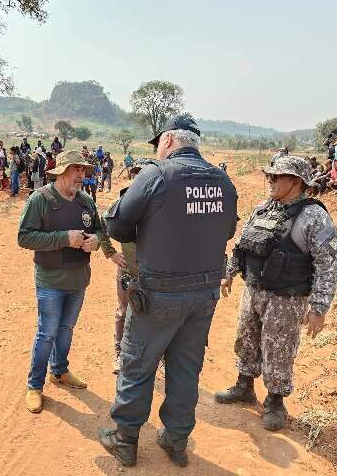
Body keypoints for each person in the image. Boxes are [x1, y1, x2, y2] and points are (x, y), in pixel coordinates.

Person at [99, 115, 238, 468]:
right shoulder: (222, 181)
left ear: (169, 141)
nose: (158, 150)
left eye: (158, 143)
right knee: (185, 370)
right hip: (202, 297)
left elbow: (116, 224)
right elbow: (225, 231)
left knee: (138, 365)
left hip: (158, 295)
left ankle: (126, 439)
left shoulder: (157, 175)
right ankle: (176, 441)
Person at [215, 156, 337, 432]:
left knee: (279, 348)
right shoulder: (262, 209)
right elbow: (242, 244)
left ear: (296, 182)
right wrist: (229, 273)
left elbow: (329, 263)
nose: (270, 181)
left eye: (277, 177)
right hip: (254, 290)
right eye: (269, 176)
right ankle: (244, 385)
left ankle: (275, 401)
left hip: (287, 298)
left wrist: (319, 307)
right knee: (246, 338)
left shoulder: (314, 217)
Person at [18, 150, 102, 414]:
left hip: (78, 279)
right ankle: (35, 386)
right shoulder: (40, 199)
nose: (81, 175)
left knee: (66, 329)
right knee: (47, 333)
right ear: (61, 171)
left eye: (83, 170)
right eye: (76, 170)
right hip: (51, 280)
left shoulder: (86, 201)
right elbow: (24, 237)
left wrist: (96, 241)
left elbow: (100, 229)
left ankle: (60, 370)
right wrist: (64, 238)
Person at [99, 161, 150, 374]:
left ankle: (157, 359)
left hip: (154, 273)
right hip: (128, 271)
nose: (138, 178)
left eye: (143, 175)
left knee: (154, 316)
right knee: (123, 312)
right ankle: (119, 354)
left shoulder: (161, 204)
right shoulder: (121, 203)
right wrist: (110, 252)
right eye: (135, 174)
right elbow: (101, 225)